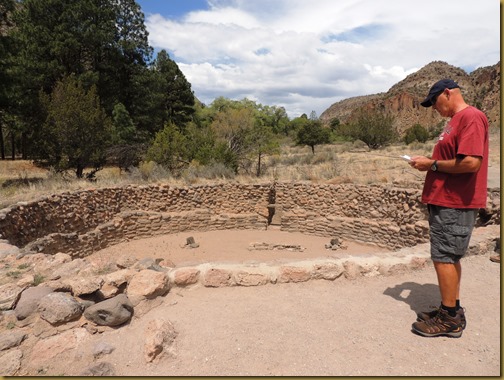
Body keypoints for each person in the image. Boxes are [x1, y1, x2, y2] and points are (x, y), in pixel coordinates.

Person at [408, 78, 489, 338]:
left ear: (447, 93)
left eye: (434, 101)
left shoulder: (471, 117)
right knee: (449, 256)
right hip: (447, 200)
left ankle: (450, 319)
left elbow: (470, 164)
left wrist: (431, 165)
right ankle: (450, 309)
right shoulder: (455, 120)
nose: (433, 107)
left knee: (443, 257)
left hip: (455, 201)